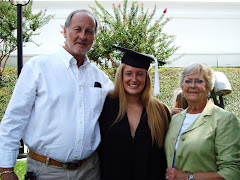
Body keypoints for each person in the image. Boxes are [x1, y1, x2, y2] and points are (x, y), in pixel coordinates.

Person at [0, 9, 113, 180]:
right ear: (65, 31)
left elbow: (127, 103)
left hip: (90, 171)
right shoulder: (38, 68)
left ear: (94, 37)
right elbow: (14, 118)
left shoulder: (100, 78)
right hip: (46, 171)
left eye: (89, 31)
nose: (83, 36)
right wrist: (6, 169)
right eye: (77, 29)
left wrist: (165, 111)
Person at [98, 46, 171, 180]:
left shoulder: (160, 111)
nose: (134, 79)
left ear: (146, 78)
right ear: (121, 75)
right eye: (129, 73)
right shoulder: (105, 106)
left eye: (140, 74)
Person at [164, 62, 240, 180]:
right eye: (188, 81)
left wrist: (189, 177)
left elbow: (232, 172)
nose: (193, 85)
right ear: (182, 87)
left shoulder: (224, 119)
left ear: (209, 87)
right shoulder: (174, 120)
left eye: (199, 81)